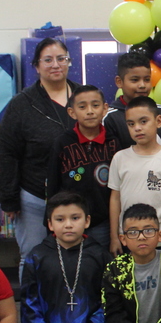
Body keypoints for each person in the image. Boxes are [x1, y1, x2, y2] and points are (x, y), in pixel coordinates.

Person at [14, 192, 111, 323]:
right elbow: (29, 305)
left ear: (87, 221)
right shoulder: (37, 256)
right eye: (60, 219)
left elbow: (110, 300)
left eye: (75, 218)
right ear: (50, 224)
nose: (68, 225)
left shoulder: (100, 255)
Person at [0, 38, 77, 276]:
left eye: (61, 59)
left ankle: (71, 311)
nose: (56, 65)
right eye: (48, 60)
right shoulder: (21, 105)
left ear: (69, 62)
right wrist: (9, 199)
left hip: (76, 196)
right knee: (32, 258)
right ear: (36, 66)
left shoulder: (83, 97)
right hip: (34, 196)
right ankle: (33, 313)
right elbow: (8, 153)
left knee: (74, 258)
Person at [107, 97, 161, 258]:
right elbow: (115, 200)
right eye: (131, 124)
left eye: (143, 121)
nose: (137, 128)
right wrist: (114, 237)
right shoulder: (120, 158)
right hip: (128, 240)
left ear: (158, 121)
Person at [46, 84, 121, 250]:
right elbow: (53, 185)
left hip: (103, 222)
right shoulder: (63, 143)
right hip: (70, 221)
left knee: (101, 264)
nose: (90, 111)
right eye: (82, 107)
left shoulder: (114, 143)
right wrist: (50, 222)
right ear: (72, 112)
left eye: (95, 105)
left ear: (105, 109)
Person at [103, 51, 161, 148]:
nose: (142, 85)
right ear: (119, 82)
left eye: (147, 79)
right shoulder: (110, 118)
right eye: (135, 80)